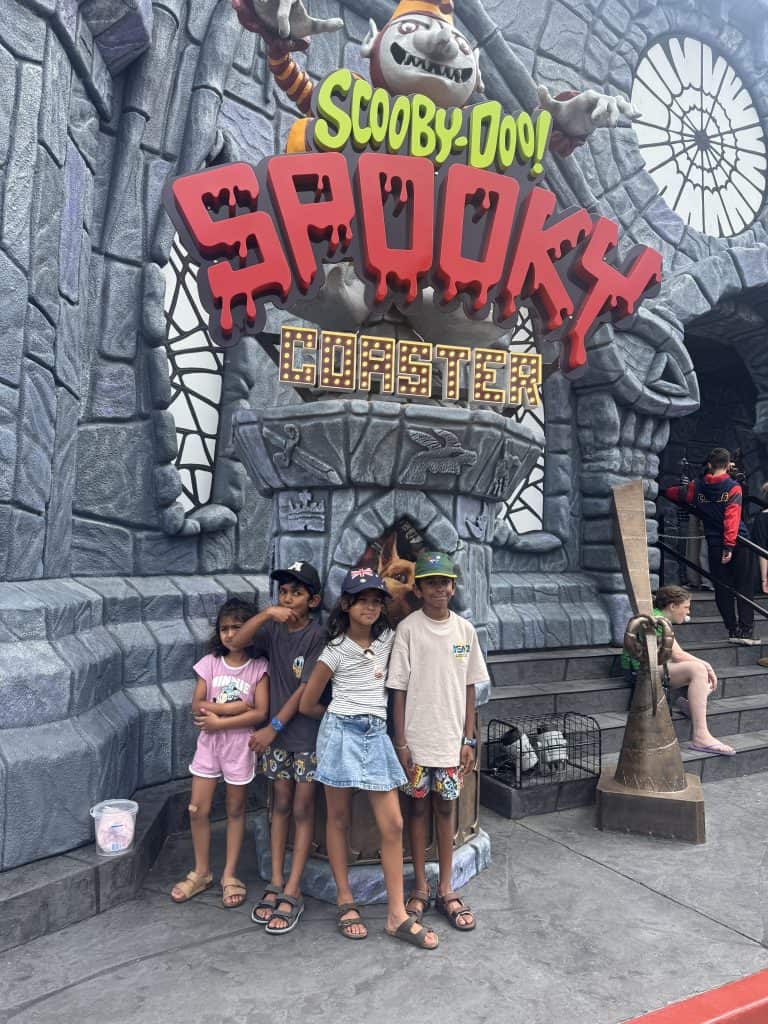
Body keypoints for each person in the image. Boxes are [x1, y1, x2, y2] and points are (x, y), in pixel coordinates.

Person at [299, 568, 439, 950]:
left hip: (376, 734)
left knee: (392, 823)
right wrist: (337, 717)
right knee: (338, 817)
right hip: (340, 729)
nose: (371, 607)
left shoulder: (389, 640)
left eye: (377, 601)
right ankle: (346, 900)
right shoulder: (334, 651)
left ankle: (397, 914)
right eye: (363, 600)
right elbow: (310, 702)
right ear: (346, 604)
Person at [388, 551, 488, 932]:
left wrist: (468, 739)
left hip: (451, 743)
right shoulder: (409, 630)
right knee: (416, 812)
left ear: (453, 585)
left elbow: (469, 688)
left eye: (445, 581)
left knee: (446, 811)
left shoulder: (465, 631)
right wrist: (401, 743)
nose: (439, 589)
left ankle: (446, 887)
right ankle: (419, 885)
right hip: (417, 742)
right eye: (431, 582)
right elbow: (397, 689)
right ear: (418, 589)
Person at [228, 561, 326, 934]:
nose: (288, 599)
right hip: (277, 741)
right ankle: (275, 881)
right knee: (279, 805)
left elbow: (305, 690)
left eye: (296, 593)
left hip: (303, 737)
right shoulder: (271, 629)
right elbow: (237, 641)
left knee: (302, 809)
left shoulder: (317, 636)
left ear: (313, 600)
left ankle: (294, 888)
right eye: (283, 592)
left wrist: (273, 727)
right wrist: (267, 612)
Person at [171, 598, 269, 907]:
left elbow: (261, 713)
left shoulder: (258, 667)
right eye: (224, 628)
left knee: (236, 808)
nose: (229, 634)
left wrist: (224, 718)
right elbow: (197, 704)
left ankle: (229, 874)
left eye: (237, 627)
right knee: (197, 808)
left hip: (239, 745)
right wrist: (235, 706)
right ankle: (201, 871)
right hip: (210, 744)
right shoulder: (210, 663)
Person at [622, 585, 735, 756]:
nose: (688, 613)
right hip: (640, 672)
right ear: (672, 606)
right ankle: (701, 736)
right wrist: (707, 667)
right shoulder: (656, 619)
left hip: (650, 668)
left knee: (697, 668)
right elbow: (678, 656)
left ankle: (691, 705)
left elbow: (676, 654)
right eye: (686, 607)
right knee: (697, 669)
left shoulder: (658, 617)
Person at [663, 447, 759, 644]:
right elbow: (732, 517)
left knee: (722, 589)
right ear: (729, 464)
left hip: (713, 542)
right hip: (737, 543)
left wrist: (663, 491)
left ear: (709, 464)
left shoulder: (696, 486)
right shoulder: (733, 486)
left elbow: (676, 493)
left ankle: (732, 629)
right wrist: (730, 546)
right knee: (744, 587)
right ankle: (746, 631)